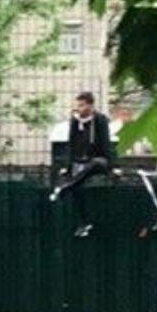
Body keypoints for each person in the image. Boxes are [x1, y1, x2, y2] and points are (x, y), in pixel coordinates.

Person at [49, 91, 114, 237]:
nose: (79, 108)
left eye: (82, 105)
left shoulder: (100, 120)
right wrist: (68, 165)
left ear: (91, 105)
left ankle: (66, 187)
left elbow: (106, 143)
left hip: (98, 159)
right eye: (77, 105)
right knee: (78, 186)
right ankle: (84, 223)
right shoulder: (75, 121)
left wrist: (113, 166)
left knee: (96, 163)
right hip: (80, 161)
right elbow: (71, 144)